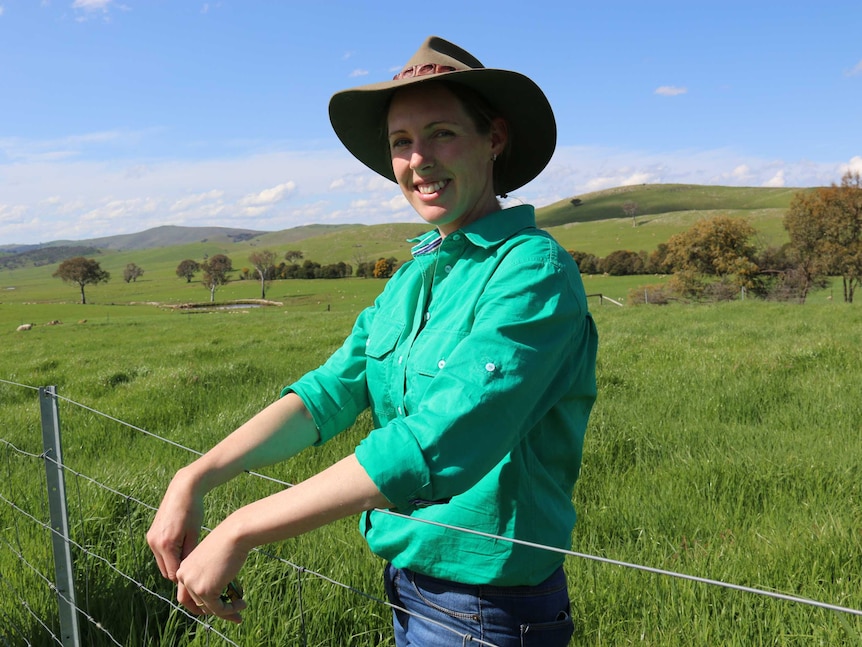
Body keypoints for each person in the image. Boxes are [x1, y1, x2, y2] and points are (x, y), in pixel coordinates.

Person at [147, 35, 598, 646]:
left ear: (494, 138)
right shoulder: (416, 275)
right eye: (401, 143)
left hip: (492, 609)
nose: (419, 160)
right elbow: (330, 392)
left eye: (441, 133)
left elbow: (442, 438)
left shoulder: (532, 271)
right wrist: (193, 477)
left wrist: (241, 528)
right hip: (409, 589)